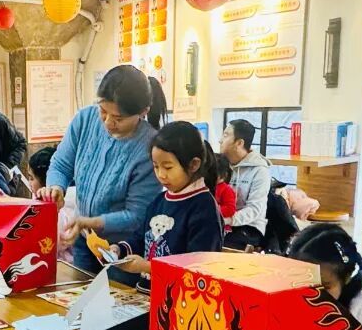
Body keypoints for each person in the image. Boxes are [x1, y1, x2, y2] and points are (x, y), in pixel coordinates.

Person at [37, 65, 166, 273]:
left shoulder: (149, 147)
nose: (108, 122)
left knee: (117, 292)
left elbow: (136, 215)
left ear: (143, 112)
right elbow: (61, 164)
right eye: (103, 111)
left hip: (123, 249)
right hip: (85, 240)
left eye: (118, 118)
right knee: (83, 289)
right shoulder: (84, 119)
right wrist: (56, 187)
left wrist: (89, 222)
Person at [100, 121, 223, 293]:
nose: (161, 174)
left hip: (179, 301)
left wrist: (148, 267)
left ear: (193, 165)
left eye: (168, 167)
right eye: (156, 166)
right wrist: (118, 250)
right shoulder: (159, 200)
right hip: (146, 294)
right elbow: (141, 238)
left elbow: (199, 268)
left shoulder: (204, 208)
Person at [219, 119, 271, 250]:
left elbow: (254, 209)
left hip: (249, 227)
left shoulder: (259, 171)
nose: (220, 140)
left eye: (225, 135)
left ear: (239, 143)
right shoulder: (220, 165)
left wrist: (228, 220)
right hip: (221, 220)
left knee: (218, 245)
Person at [213, 154, 237, 230]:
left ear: (224, 175)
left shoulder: (227, 190)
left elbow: (230, 209)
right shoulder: (206, 186)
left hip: (222, 227)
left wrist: (212, 210)